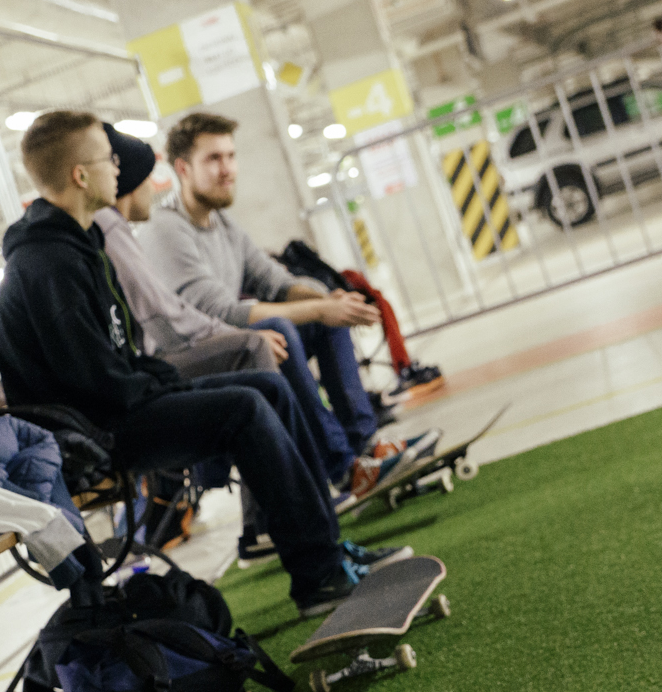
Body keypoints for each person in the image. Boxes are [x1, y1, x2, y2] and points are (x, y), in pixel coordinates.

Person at [0, 109, 410, 615]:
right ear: (81, 176)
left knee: (266, 389)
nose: (118, 169)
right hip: (89, 436)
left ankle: (326, 554)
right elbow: (96, 383)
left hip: (113, 407)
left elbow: (118, 358)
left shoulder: (80, 243)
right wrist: (160, 382)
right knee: (243, 409)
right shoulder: (48, 264)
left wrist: (157, 379)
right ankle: (317, 577)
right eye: (108, 159)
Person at [143, 111, 446, 474]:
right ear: (183, 169)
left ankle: (364, 443)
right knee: (281, 329)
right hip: (185, 356)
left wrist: (327, 299)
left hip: (225, 340)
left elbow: (275, 282)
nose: (228, 169)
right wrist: (319, 309)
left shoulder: (224, 224)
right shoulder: (166, 229)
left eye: (231, 156)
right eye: (213, 159)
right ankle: (342, 467)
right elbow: (223, 312)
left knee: (325, 320)